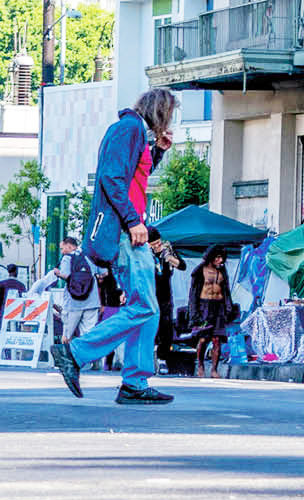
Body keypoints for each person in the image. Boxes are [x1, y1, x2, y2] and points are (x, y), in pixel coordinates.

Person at [50, 88, 178, 405]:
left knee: (147, 308)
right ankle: (75, 352)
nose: (170, 121)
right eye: (170, 114)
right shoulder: (128, 128)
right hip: (126, 232)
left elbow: (133, 179)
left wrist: (157, 152)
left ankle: (134, 381)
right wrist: (134, 222)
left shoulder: (133, 131)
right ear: (160, 111)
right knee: (145, 306)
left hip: (130, 230)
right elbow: (111, 178)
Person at [27, 237, 102, 344]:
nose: (62, 251)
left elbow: (65, 275)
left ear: (70, 246)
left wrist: (58, 273)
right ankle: (89, 360)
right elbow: (103, 273)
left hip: (73, 303)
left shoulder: (67, 258)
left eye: (62, 249)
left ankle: (68, 359)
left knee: (67, 337)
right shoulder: (90, 256)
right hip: (92, 302)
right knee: (89, 336)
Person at [189, 245, 233, 378]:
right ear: (212, 257)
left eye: (222, 258)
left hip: (218, 308)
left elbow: (226, 291)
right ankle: (200, 365)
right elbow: (193, 294)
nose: (221, 260)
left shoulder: (222, 272)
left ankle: (214, 369)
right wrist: (194, 313)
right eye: (218, 257)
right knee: (203, 339)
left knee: (217, 340)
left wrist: (228, 308)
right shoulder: (200, 271)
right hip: (204, 308)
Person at [149, 227, 187, 374]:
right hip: (149, 294)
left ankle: (162, 358)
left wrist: (170, 258)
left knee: (166, 328)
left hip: (165, 295)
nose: (158, 246)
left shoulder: (168, 249)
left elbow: (183, 266)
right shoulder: (143, 253)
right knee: (150, 328)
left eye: (159, 242)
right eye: (154, 244)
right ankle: (148, 359)